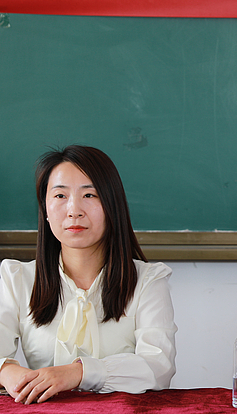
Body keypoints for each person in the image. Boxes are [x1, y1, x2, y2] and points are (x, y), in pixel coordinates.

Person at [0, 145, 177, 404]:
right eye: (60, 195)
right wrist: (8, 372)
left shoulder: (148, 281)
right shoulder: (17, 279)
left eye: (89, 195)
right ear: (45, 209)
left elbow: (158, 367)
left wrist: (78, 373)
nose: (74, 210)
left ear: (112, 205)